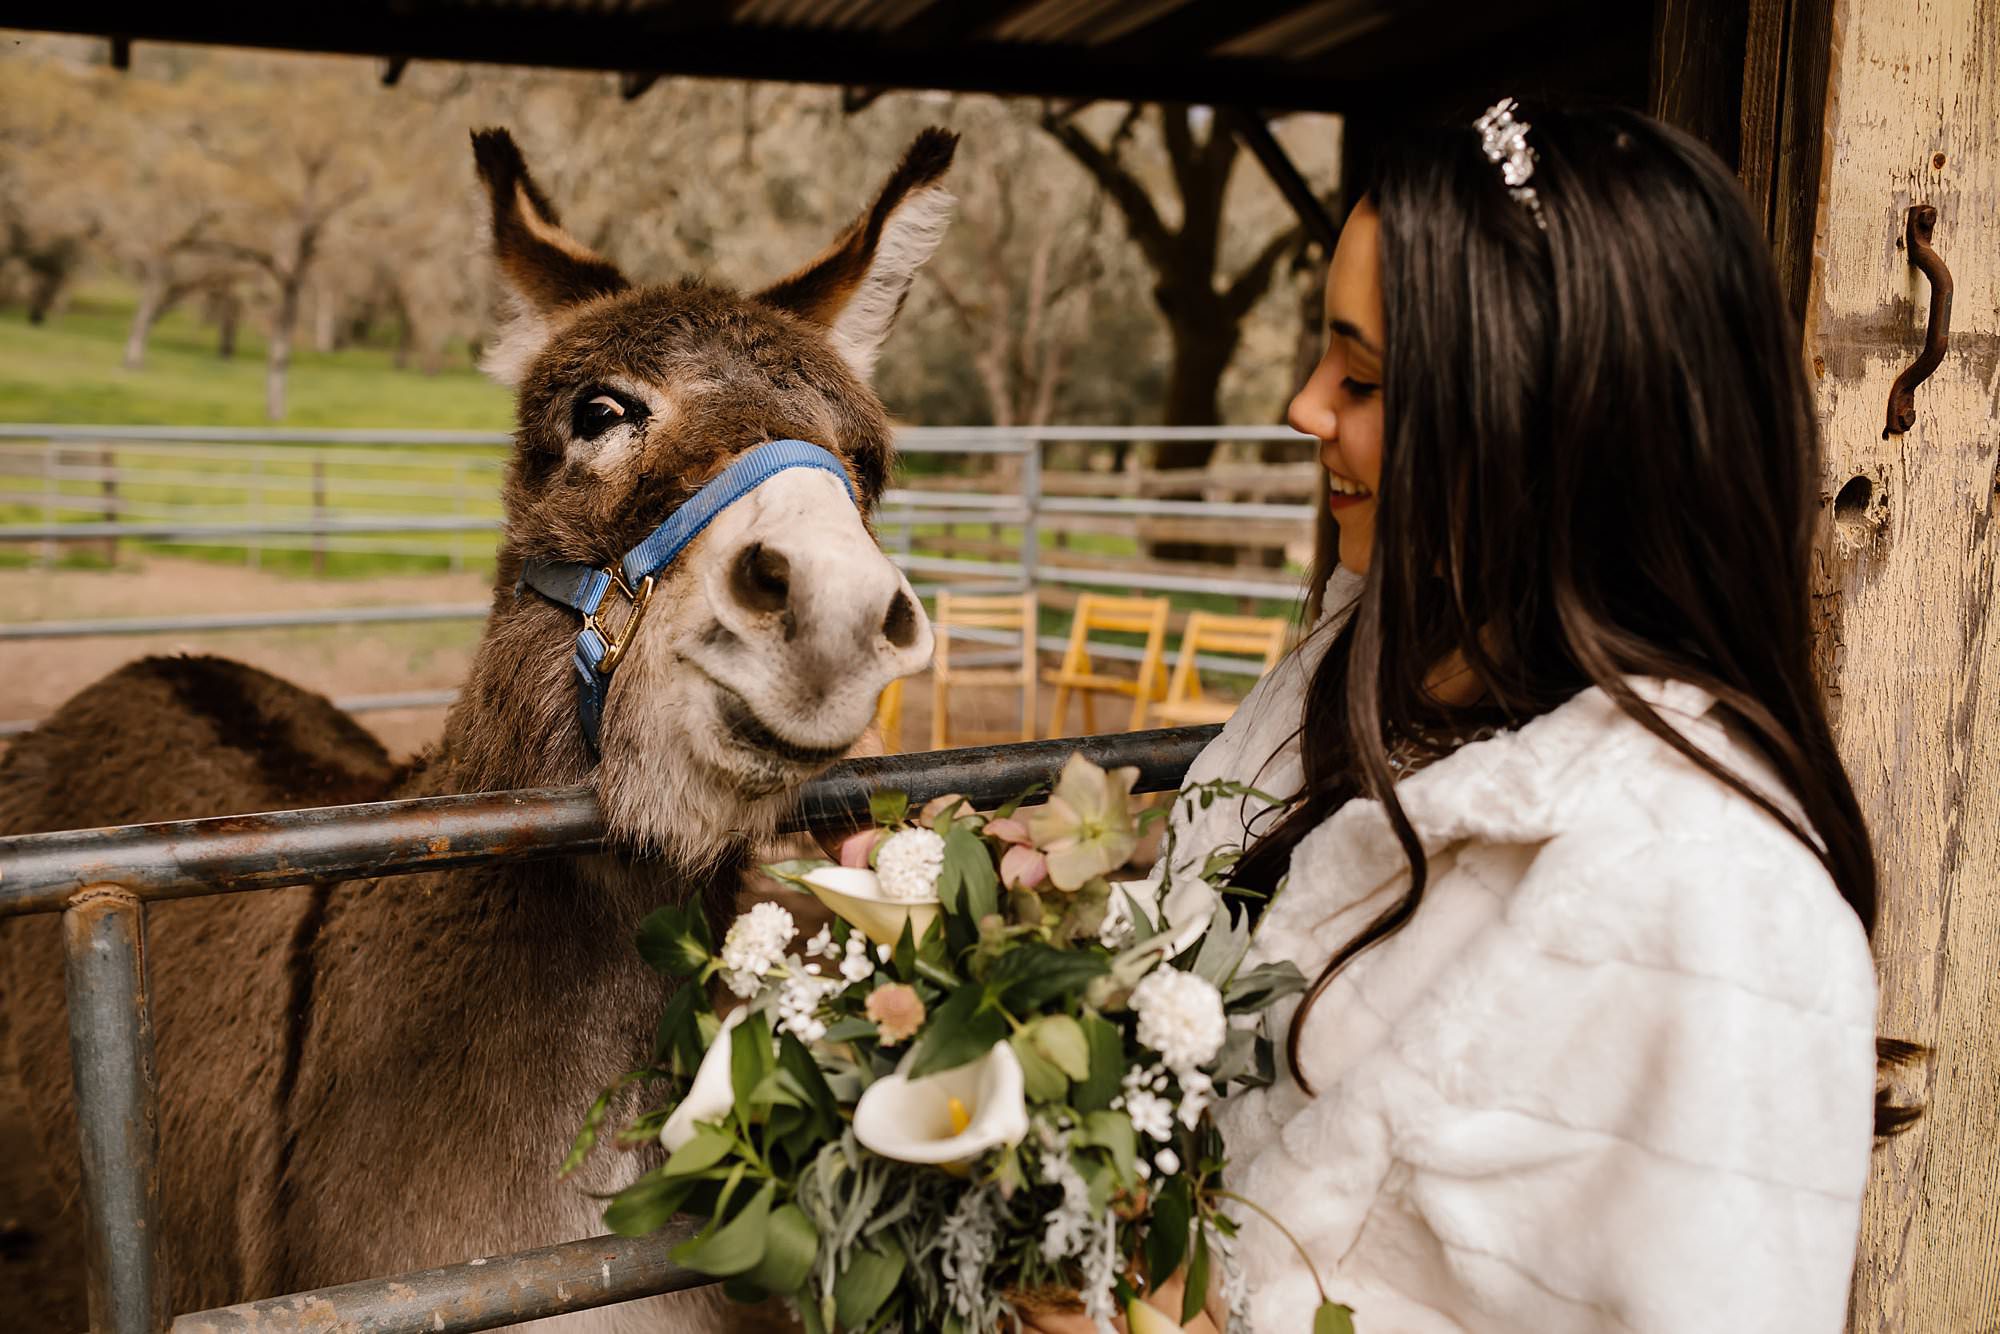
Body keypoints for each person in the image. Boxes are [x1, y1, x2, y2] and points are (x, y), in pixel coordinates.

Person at [1026, 101, 1900, 1333]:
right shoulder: (1349, 673)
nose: (1302, 408)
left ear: (1546, 433)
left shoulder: (1711, 906)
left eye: (1363, 377)